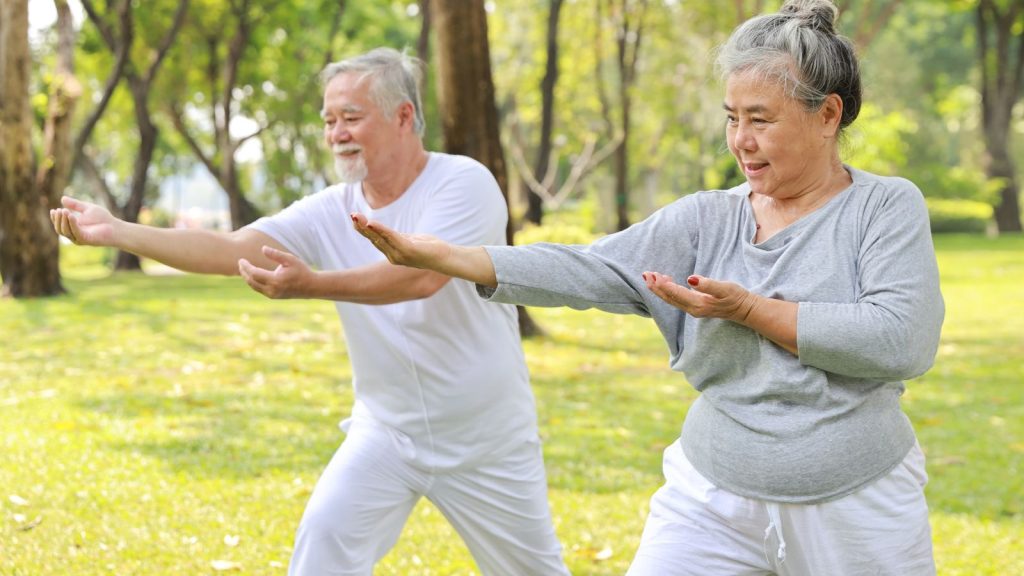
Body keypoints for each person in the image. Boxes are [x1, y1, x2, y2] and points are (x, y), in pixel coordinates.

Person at [352, 2, 945, 574]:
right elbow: (593, 269)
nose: (740, 139)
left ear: (828, 116)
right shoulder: (707, 217)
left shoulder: (883, 207)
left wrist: (750, 310)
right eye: (732, 117)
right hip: (711, 497)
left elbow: (900, 340)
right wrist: (455, 257)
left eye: (760, 119)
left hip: (857, 504)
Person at [50, 48, 570, 576]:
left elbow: (423, 274)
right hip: (387, 434)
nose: (335, 133)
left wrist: (314, 285)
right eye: (328, 120)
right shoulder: (331, 209)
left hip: (486, 438)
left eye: (350, 117)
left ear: (404, 117)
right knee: (323, 544)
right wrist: (118, 230)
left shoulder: (464, 183)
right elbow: (232, 249)